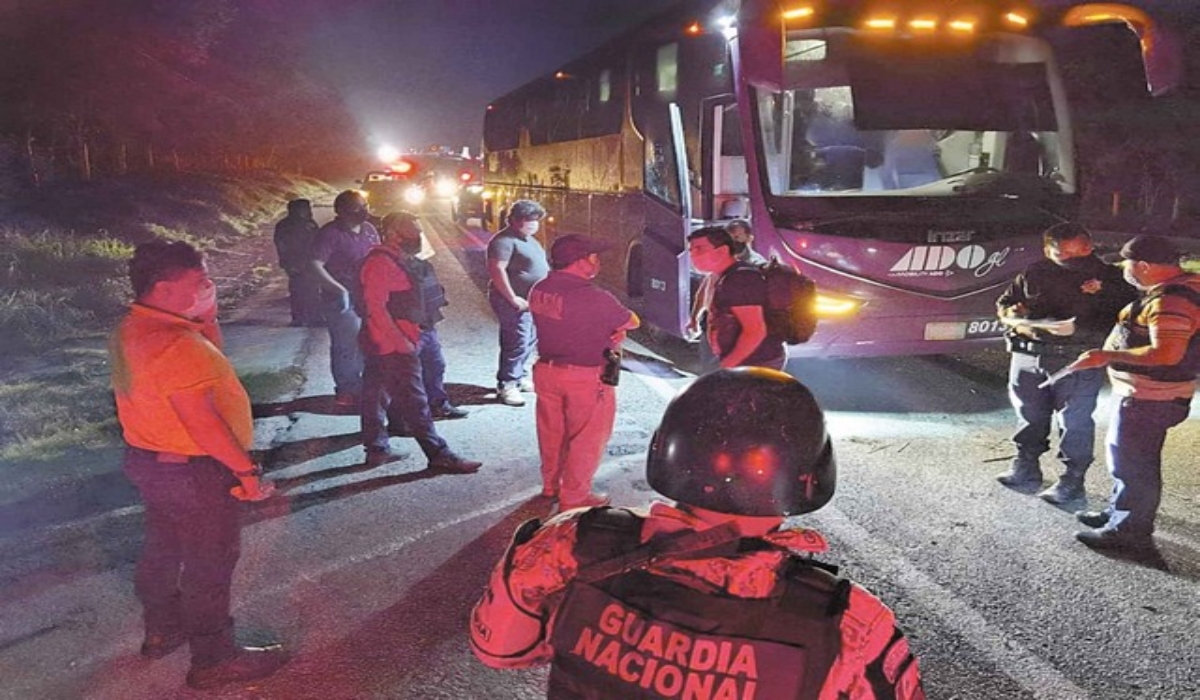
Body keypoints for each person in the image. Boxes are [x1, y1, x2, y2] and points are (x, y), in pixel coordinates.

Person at [470, 368, 926, 700]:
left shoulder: (570, 541)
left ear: (668, 450)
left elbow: (499, 649)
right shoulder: (850, 622)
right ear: (809, 473)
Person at [108, 241, 288, 690]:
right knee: (210, 562)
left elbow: (211, 357)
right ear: (166, 289)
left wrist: (205, 318)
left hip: (152, 463)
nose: (211, 287)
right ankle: (214, 658)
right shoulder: (175, 345)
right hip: (194, 470)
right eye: (200, 283)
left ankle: (163, 629)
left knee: (163, 550)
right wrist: (246, 474)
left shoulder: (134, 328)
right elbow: (203, 421)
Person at [1068, 236, 1199, 551]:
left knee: (1133, 464)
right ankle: (1118, 513)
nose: (1125, 271)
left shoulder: (1172, 301)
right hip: (1151, 395)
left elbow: (1166, 353)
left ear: (1144, 266)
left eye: (1127, 265)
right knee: (1130, 459)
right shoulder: (1181, 288)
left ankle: (1129, 532)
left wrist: (1107, 356)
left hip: (1151, 396)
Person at [994, 223, 1136, 503]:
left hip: (1077, 358)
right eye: (1064, 254)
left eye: (1080, 251)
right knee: (1029, 413)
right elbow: (1006, 303)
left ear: (1090, 246)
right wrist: (1013, 314)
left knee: (1075, 421)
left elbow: (1127, 321)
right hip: (1029, 353)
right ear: (1049, 250)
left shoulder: (1111, 278)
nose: (1074, 258)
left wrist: (1101, 297)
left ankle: (1072, 480)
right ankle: (1026, 465)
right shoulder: (1035, 272)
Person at [358, 211, 482, 473]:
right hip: (393, 342)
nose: (419, 234)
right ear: (393, 232)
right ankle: (438, 454)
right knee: (414, 400)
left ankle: (378, 449)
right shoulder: (379, 262)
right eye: (413, 229)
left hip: (410, 335)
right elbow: (375, 308)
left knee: (377, 392)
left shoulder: (403, 258)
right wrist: (400, 342)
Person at [528, 234, 640, 510]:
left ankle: (551, 485)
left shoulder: (540, 289)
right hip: (585, 376)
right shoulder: (595, 297)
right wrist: (616, 330)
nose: (597, 262)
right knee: (587, 439)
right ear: (580, 261)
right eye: (593, 257)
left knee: (552, 433)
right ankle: (575, 497)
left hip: (546, 371)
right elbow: (632, 321)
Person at [311, 190, 380, 406]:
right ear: (343, 211)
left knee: (370, 343)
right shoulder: (330, 234)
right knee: (346, 346)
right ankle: (347, 390)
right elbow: (314, 265)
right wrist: (338, 289)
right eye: (359, 207)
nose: (365, 210)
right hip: (342, 300)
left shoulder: (368, 230)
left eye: (365, 205)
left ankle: (366, 386)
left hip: (368, 296)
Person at [687, 226, 786, 370]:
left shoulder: (741, 279)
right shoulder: (718, 274)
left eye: (700, 249)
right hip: (737, 357)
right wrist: (695, 317)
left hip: (755, 361)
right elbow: (704, 293)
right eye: (691, 251)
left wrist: (725, 368)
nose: (693, 256)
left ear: (722, 250)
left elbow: (755, 331)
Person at [487, 199, 550, 406]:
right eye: (528, 220)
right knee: (516, 341)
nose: (533, 224)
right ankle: (507, 384)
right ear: (513, 220)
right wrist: (512, 297)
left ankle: (520, 375)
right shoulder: (503, 241)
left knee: (529, 339)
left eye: (536, 220)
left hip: (531, 301)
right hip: (513, 301)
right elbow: (497, 270)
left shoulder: (528, 239)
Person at [273, 198, 323, 326]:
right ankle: (299, 318)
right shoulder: (285, 226)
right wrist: (286, 262)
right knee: (297, 290)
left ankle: (315, 317)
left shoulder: (310, 224)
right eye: (303, 209)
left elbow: (317, 242)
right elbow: (281, 244)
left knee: (313, 290)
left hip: (309, 261)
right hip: (294, 262)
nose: (306, 211)